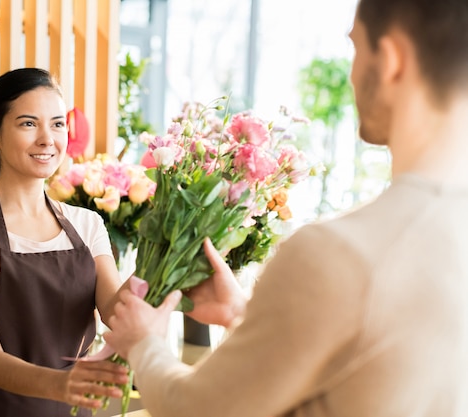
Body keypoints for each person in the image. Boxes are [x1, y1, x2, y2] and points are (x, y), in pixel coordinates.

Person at [103, 0, 468, 416]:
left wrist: (143, 342)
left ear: (390, 60)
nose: (351, 73)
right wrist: (246, 316)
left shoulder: (338, 253)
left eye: (355, 48)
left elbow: (199, 408)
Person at [0, 68, 129, 416]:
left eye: (57, 124)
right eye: (28, 124)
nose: (47, 139)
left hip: (76, 409)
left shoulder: (87, 223)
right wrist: (61, 385)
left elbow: (116, 311)